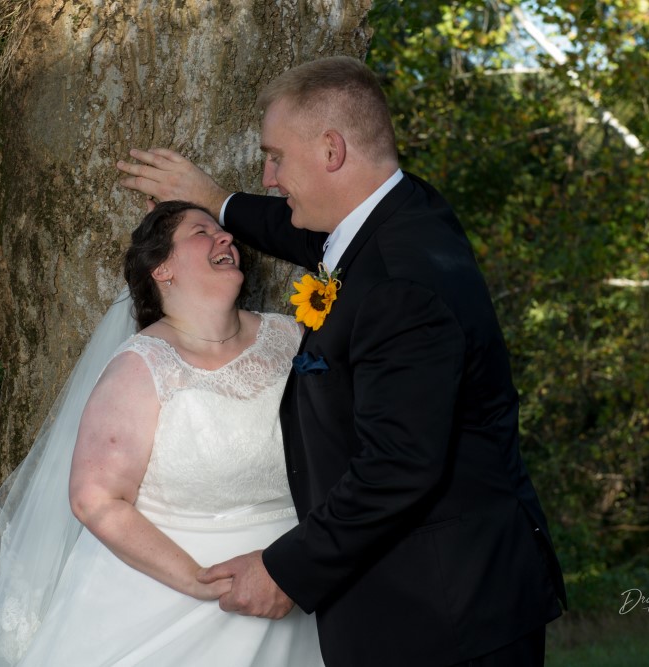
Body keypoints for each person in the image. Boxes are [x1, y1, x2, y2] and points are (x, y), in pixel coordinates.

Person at [116, 56, 567, 667]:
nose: (271, 178)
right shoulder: (406, 214)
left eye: (277, 157)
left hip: (447, 616)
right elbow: (309, 235)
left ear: (331, 150)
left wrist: (286, 572)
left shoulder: (402, 287)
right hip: (433, 598)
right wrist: (215, 202)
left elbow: (400, 464)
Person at [0, 201, 324, 666]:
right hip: (173, 603)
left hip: (301, 581)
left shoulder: (291, 337)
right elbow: (94, 499)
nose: (226, 239)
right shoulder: (141, 366)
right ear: (162, 269)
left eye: (225, 233)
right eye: (203, 232)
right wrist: (201, 581)